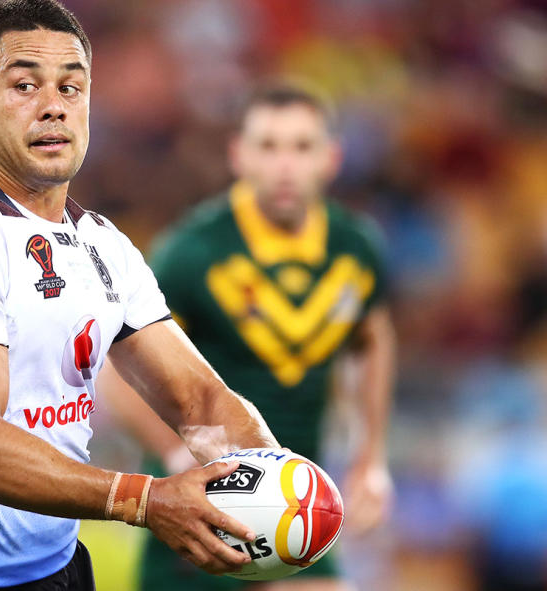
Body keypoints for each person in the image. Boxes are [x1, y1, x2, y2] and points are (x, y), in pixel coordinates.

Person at [0, 1, 281, 590]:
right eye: (25, 85)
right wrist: (144, 500)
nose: (54, 105)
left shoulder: (101, 245)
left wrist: (278, 476)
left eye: (71, 86)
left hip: (61, 573)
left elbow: (201, 402)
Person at [98, 85, 396, 591]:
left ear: (331, 158)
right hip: (205, 505)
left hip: (301, 501)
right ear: (239, 155)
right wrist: (174, 457)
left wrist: (371, 456)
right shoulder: (192, 251)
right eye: (268, 146)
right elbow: (116, 372)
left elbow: (373, 336)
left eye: (302, 147)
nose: (285, 165)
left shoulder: (356, 249)